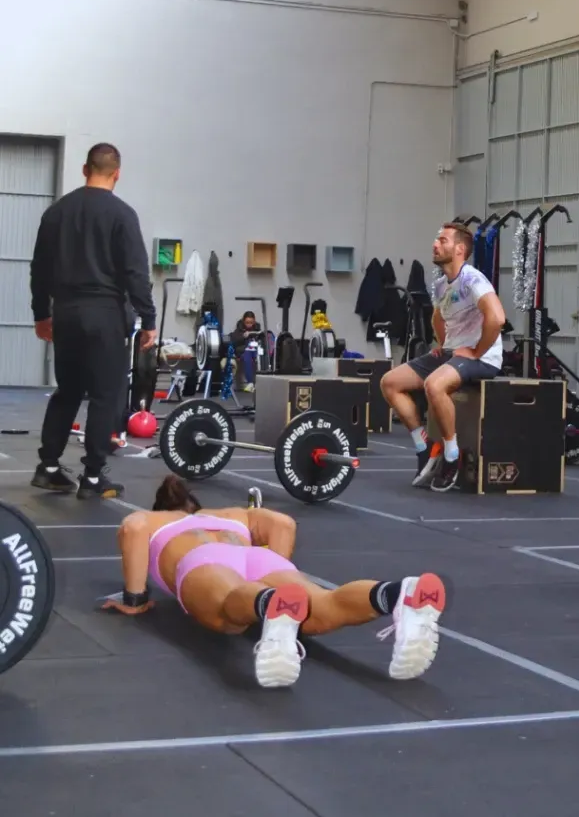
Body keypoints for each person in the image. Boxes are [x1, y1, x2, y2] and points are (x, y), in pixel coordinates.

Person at [101, 475, 445, 688]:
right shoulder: (234, 515)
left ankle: (269, 606)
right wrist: (278, 569)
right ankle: (399, 593)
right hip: (260, 558)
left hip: (206, 561)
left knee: (227, 611)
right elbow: (283, 524)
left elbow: (132, 530)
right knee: (324, 604)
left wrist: (135, 599)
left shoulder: (151, 518)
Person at [30, 143, 156, 500]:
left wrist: (42, 314)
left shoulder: (56, 212)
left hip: (66, 313)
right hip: (105, 314)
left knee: (67, 390)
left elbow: (39, 269)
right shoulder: (122, 215)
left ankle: (49, 467)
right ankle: (93, 477)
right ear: (117, 173)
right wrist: (149, 318)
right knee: (105, 395)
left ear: (85, 169)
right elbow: (135, 272)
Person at [380, 223, 506, 493]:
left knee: (434, 385)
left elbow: (497, 318)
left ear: (460, 249)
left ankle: (451, 455)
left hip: (482, 358)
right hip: (453, 351)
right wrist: (442, 343)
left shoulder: (473, 279)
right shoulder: (439, 285)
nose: (435, 244)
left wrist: (476, 351)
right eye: (436, 239)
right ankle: (424, 448)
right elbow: (437, 316)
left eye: (443, 240)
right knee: (390, 382)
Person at [230, 310, 262, 393]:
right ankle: (250, 382)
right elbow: (234, 341)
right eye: (247, 322)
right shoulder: (239, 330)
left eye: (251, 322)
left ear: (254, 321)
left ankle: (263, 382)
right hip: (243, 351)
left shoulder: (257, 329)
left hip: (255, 350)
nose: (249, 324)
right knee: (247, 356)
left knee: (261, 356)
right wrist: (243, 337)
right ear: (244, 321)